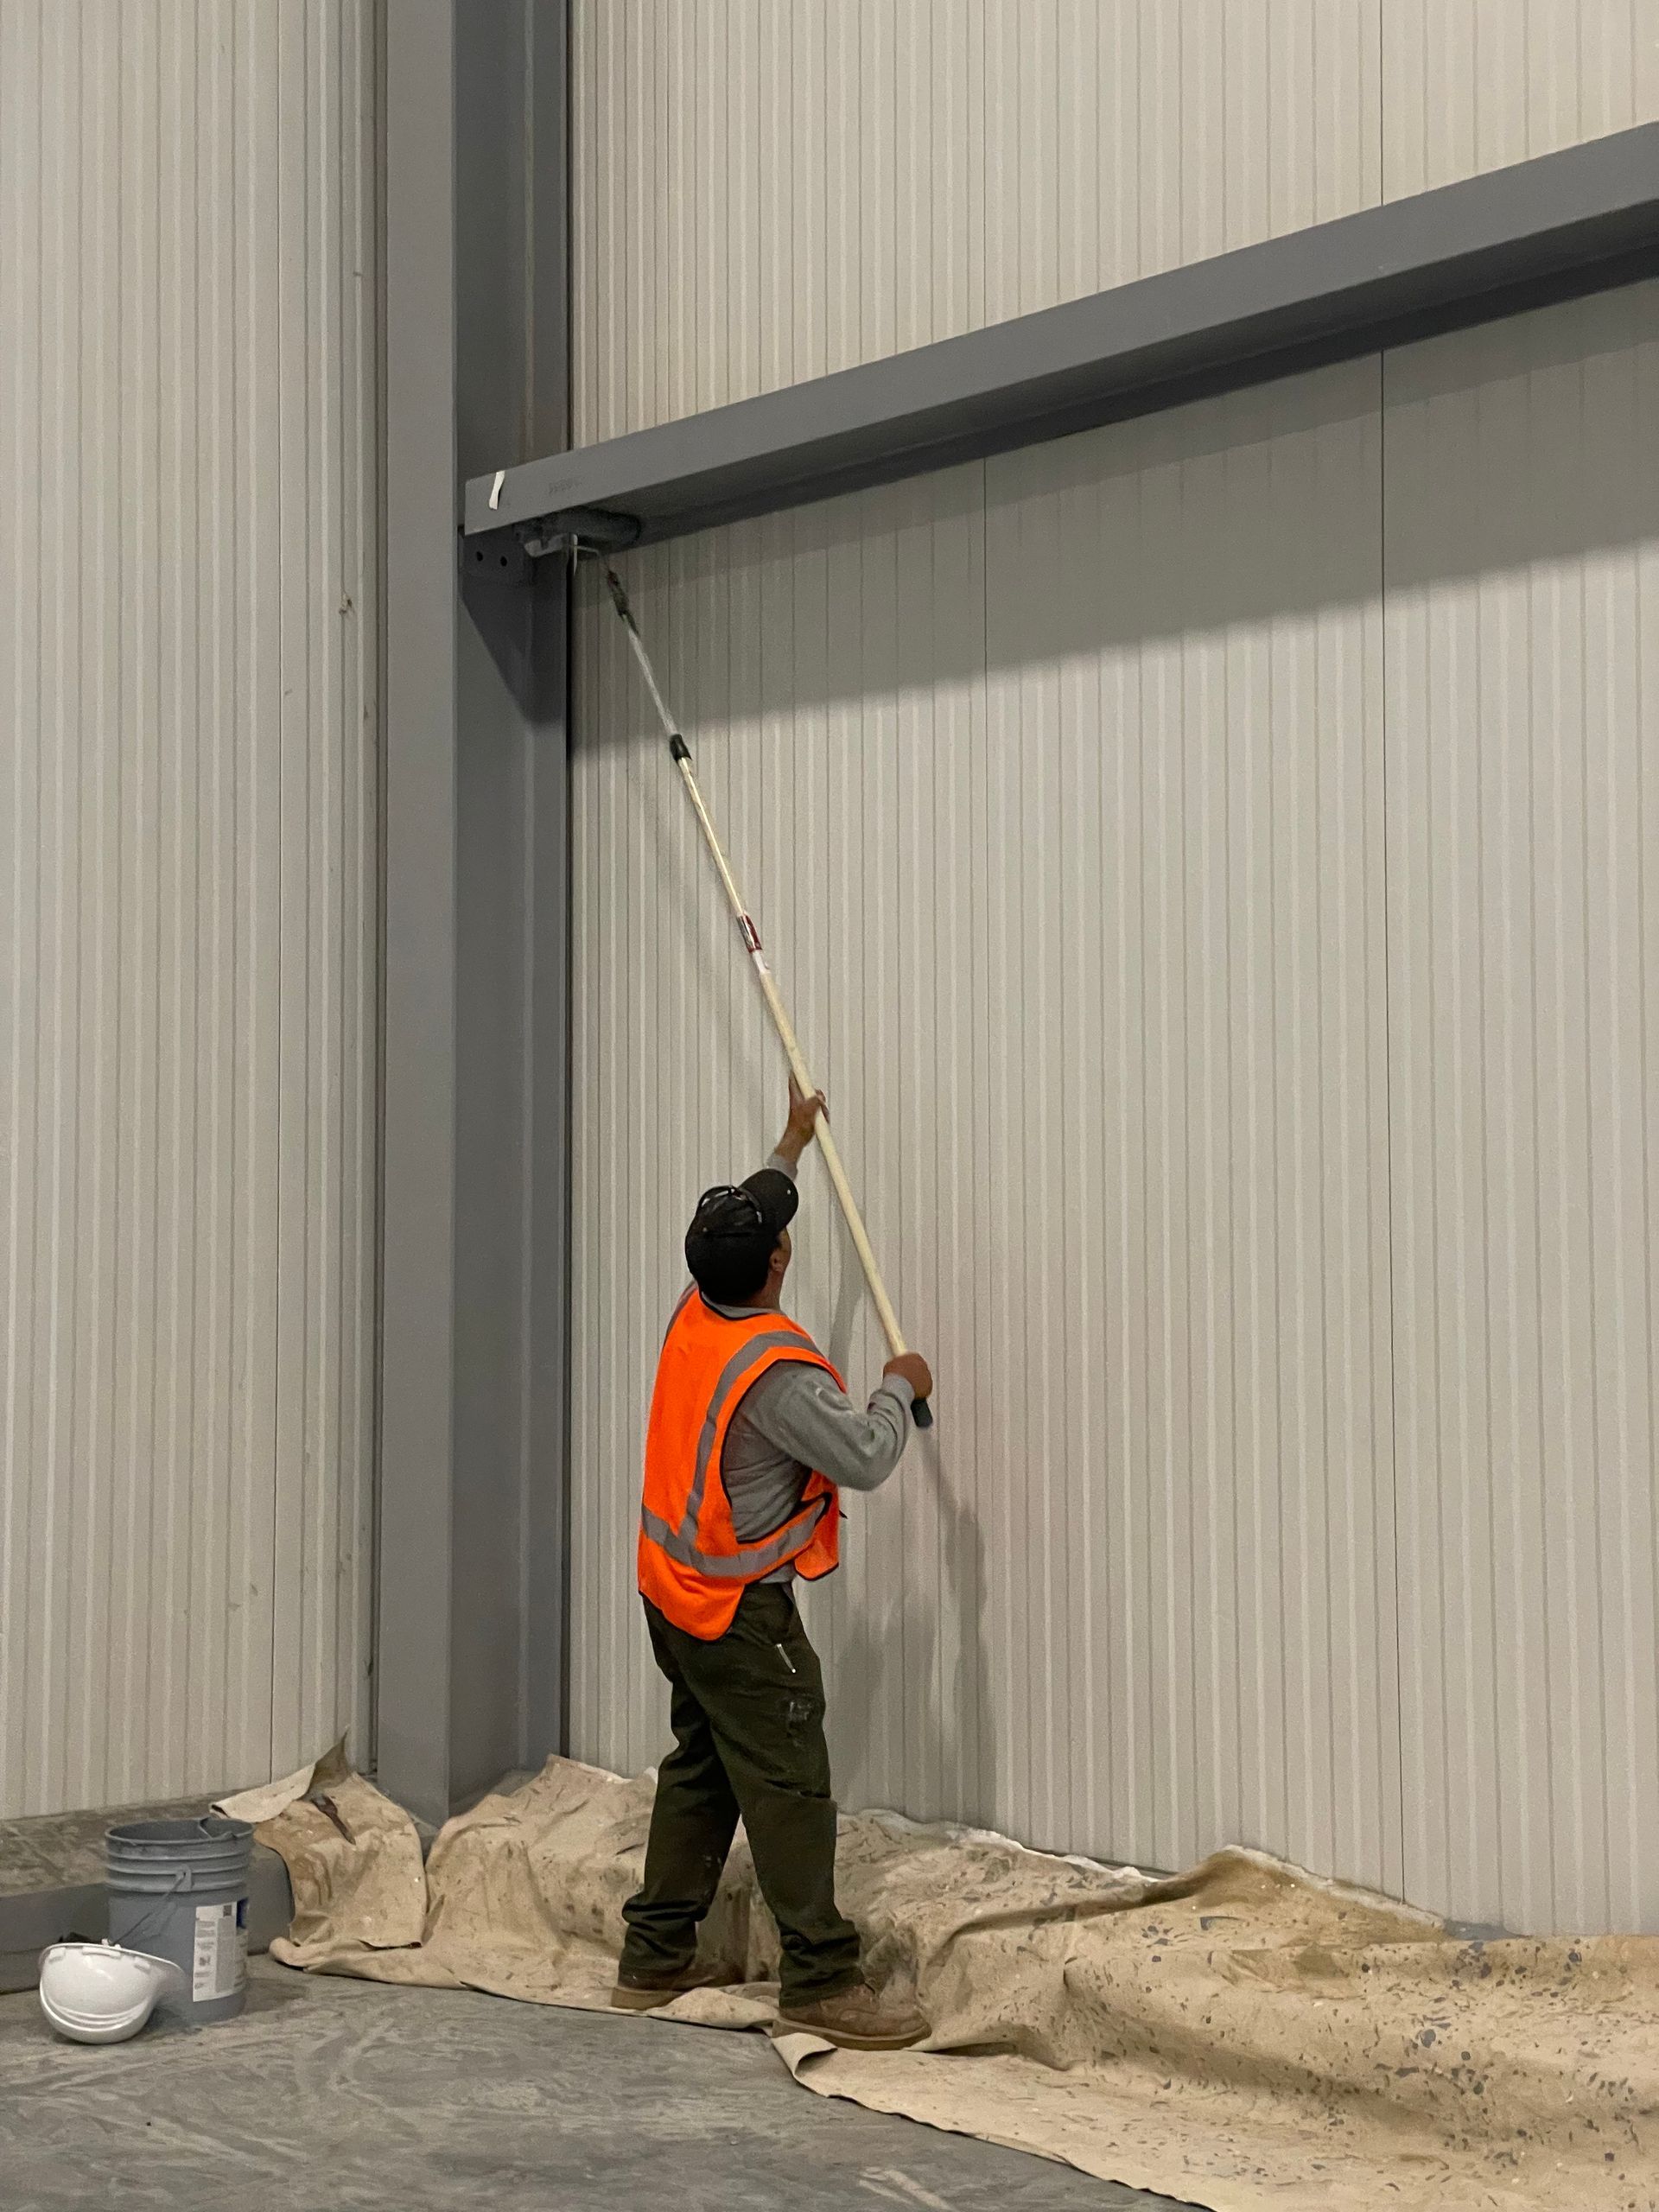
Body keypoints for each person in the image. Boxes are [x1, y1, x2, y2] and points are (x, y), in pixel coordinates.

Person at [612, 1079, 935, 2050]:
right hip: (739, 1613)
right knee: (790, 1781)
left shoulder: (697, 1306)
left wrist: (792, 1143)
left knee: (704, 1767)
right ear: (778, 1265)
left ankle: (656, 1954)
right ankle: (821, 1980)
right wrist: (897, 1384)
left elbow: (764, 1203)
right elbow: (868, 1458)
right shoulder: (776, 1372)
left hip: (671, 1596)